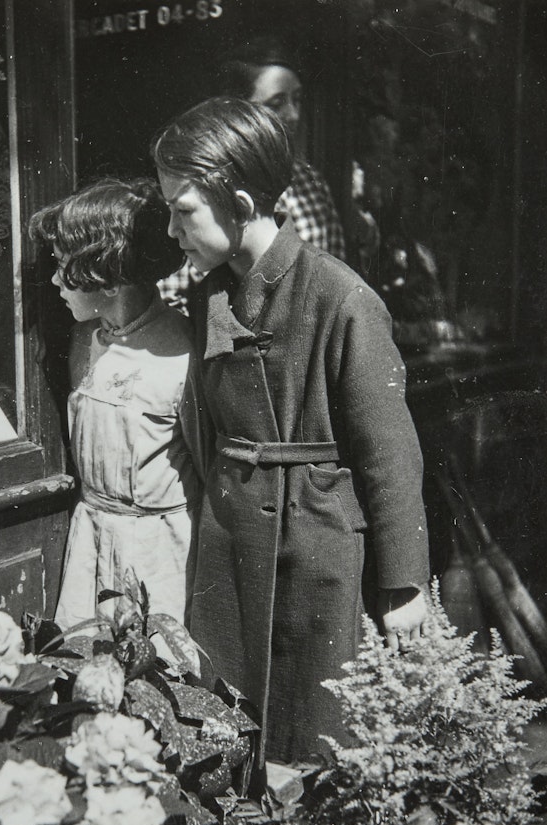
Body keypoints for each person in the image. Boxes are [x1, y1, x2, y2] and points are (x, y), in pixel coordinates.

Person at [152, 97, 429, 771]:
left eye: (181, 210)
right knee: (225, 740)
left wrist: (404, 588)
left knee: (317, 749)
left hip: (317, 551)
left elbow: (389, 455)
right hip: (229, 546)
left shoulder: (341, 299)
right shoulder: (205, 295)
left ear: (241, 203)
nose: (168, 229)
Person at [29, 178, 201, 629]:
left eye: (63, 265)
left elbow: (207, 464)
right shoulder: (84, 340)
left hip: (159, 553)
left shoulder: (183, 352)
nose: (53, 280)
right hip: (90, 541)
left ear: (104, 274)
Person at [159, 35, 346, 313]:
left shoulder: (310, 181)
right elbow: (172, 293)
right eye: (276, 103)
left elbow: (336, 270)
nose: (292, 114)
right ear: (239, 112)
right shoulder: (207, 192)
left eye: (297, 99)